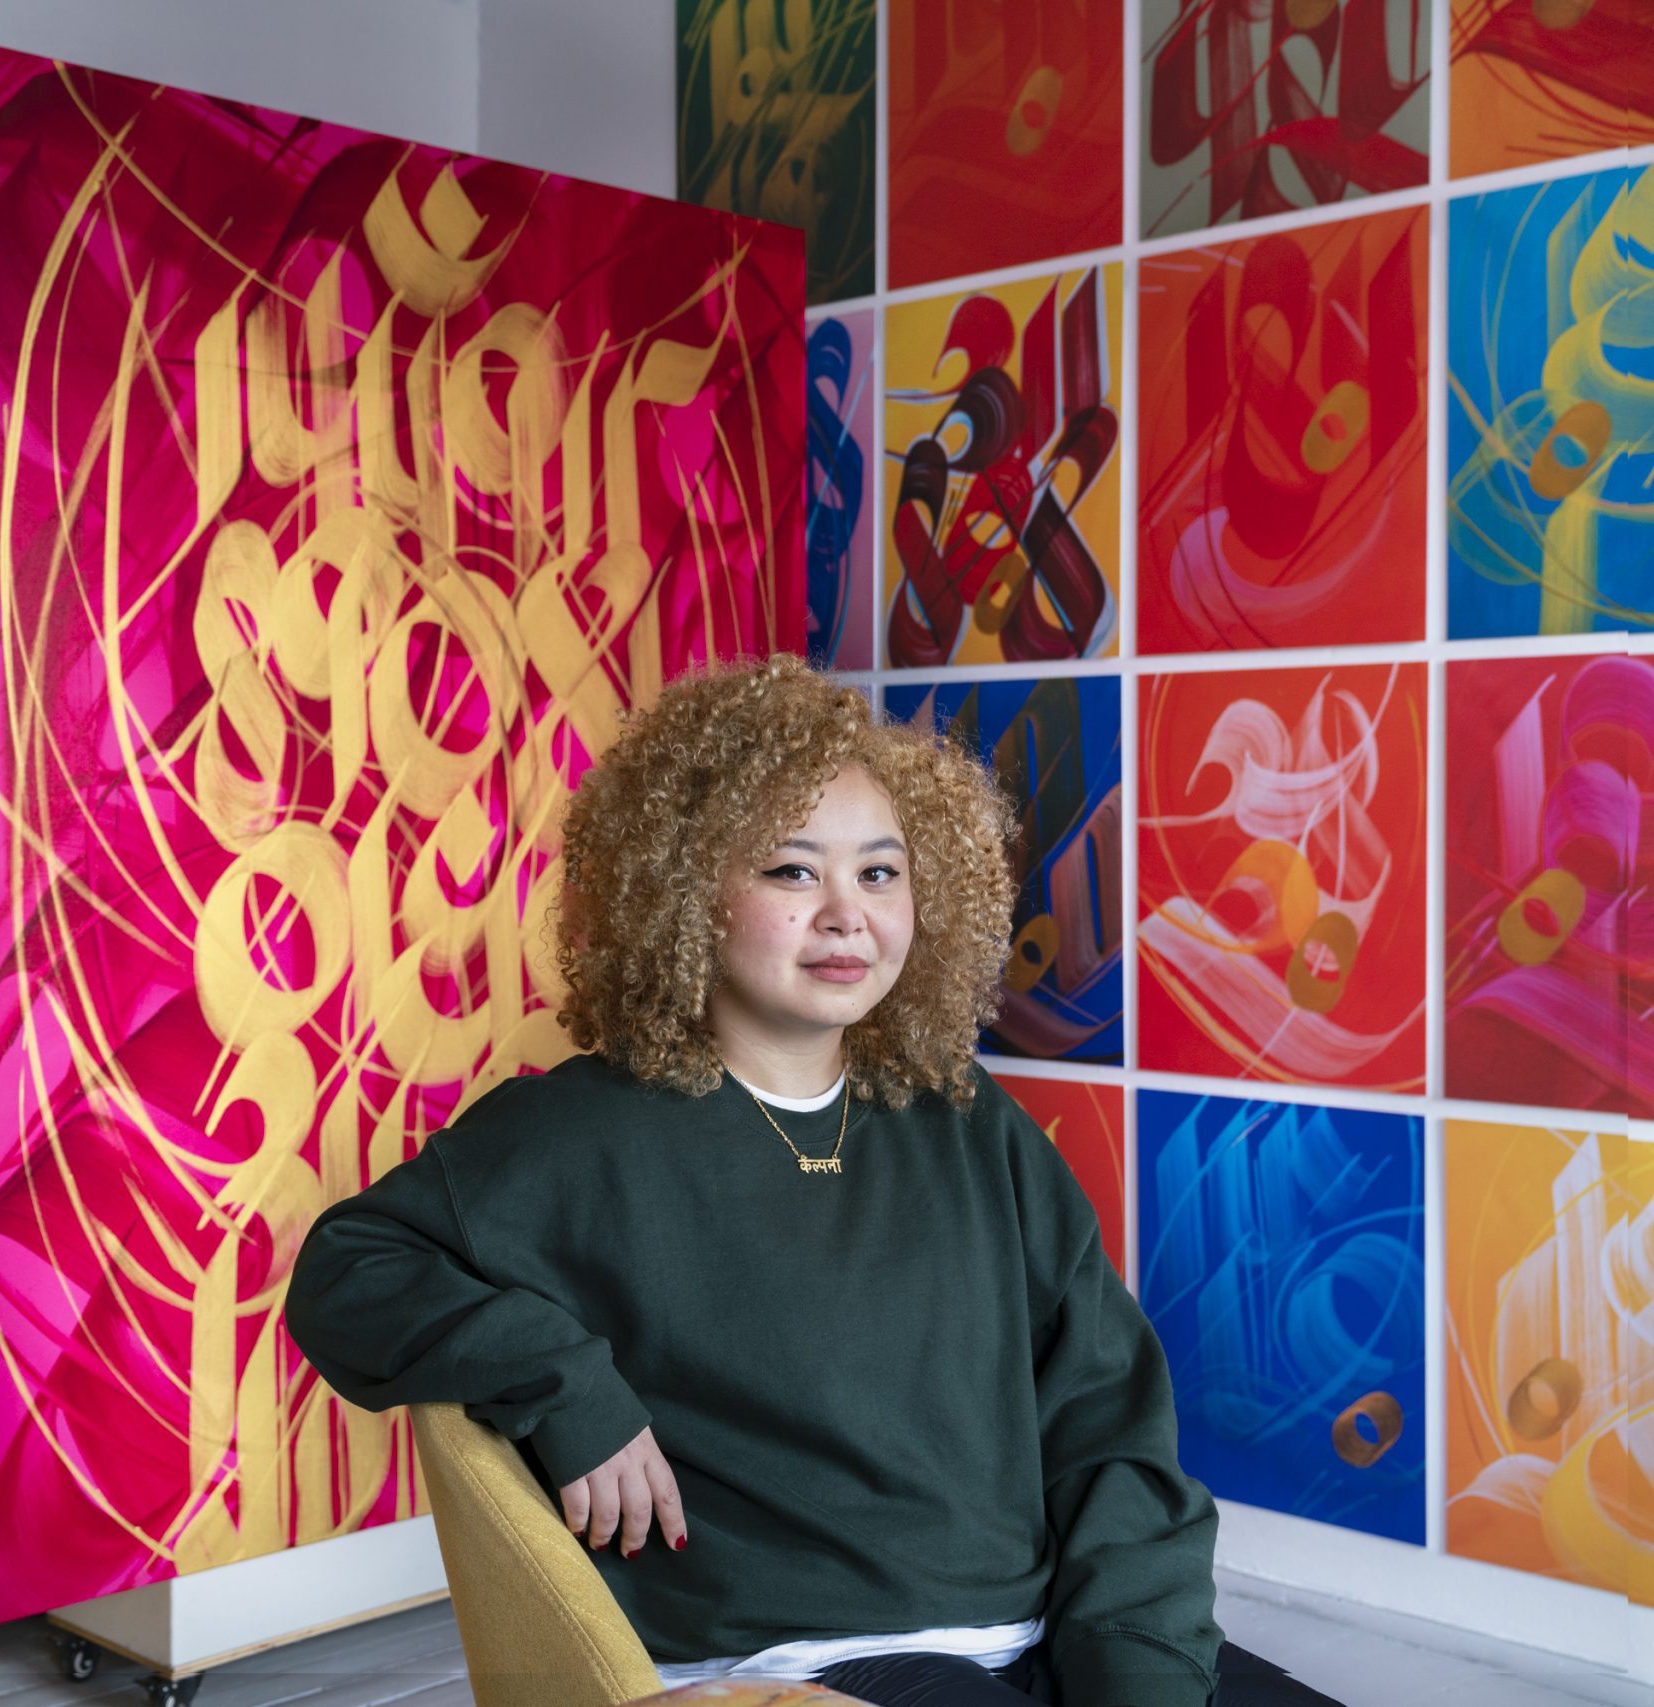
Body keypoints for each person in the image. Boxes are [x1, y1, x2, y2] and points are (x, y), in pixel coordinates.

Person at [282, 657, 1342, 1707]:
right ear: (683, 891)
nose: (846, 913)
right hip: (799, 1665)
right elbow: (347, 1268)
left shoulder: (967, 1119)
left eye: (879, 873)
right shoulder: (574, 1134)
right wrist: (561, 1386)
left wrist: (1133, 1658)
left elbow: (1108, 1418)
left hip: (1047, 1635)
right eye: (792, 872)